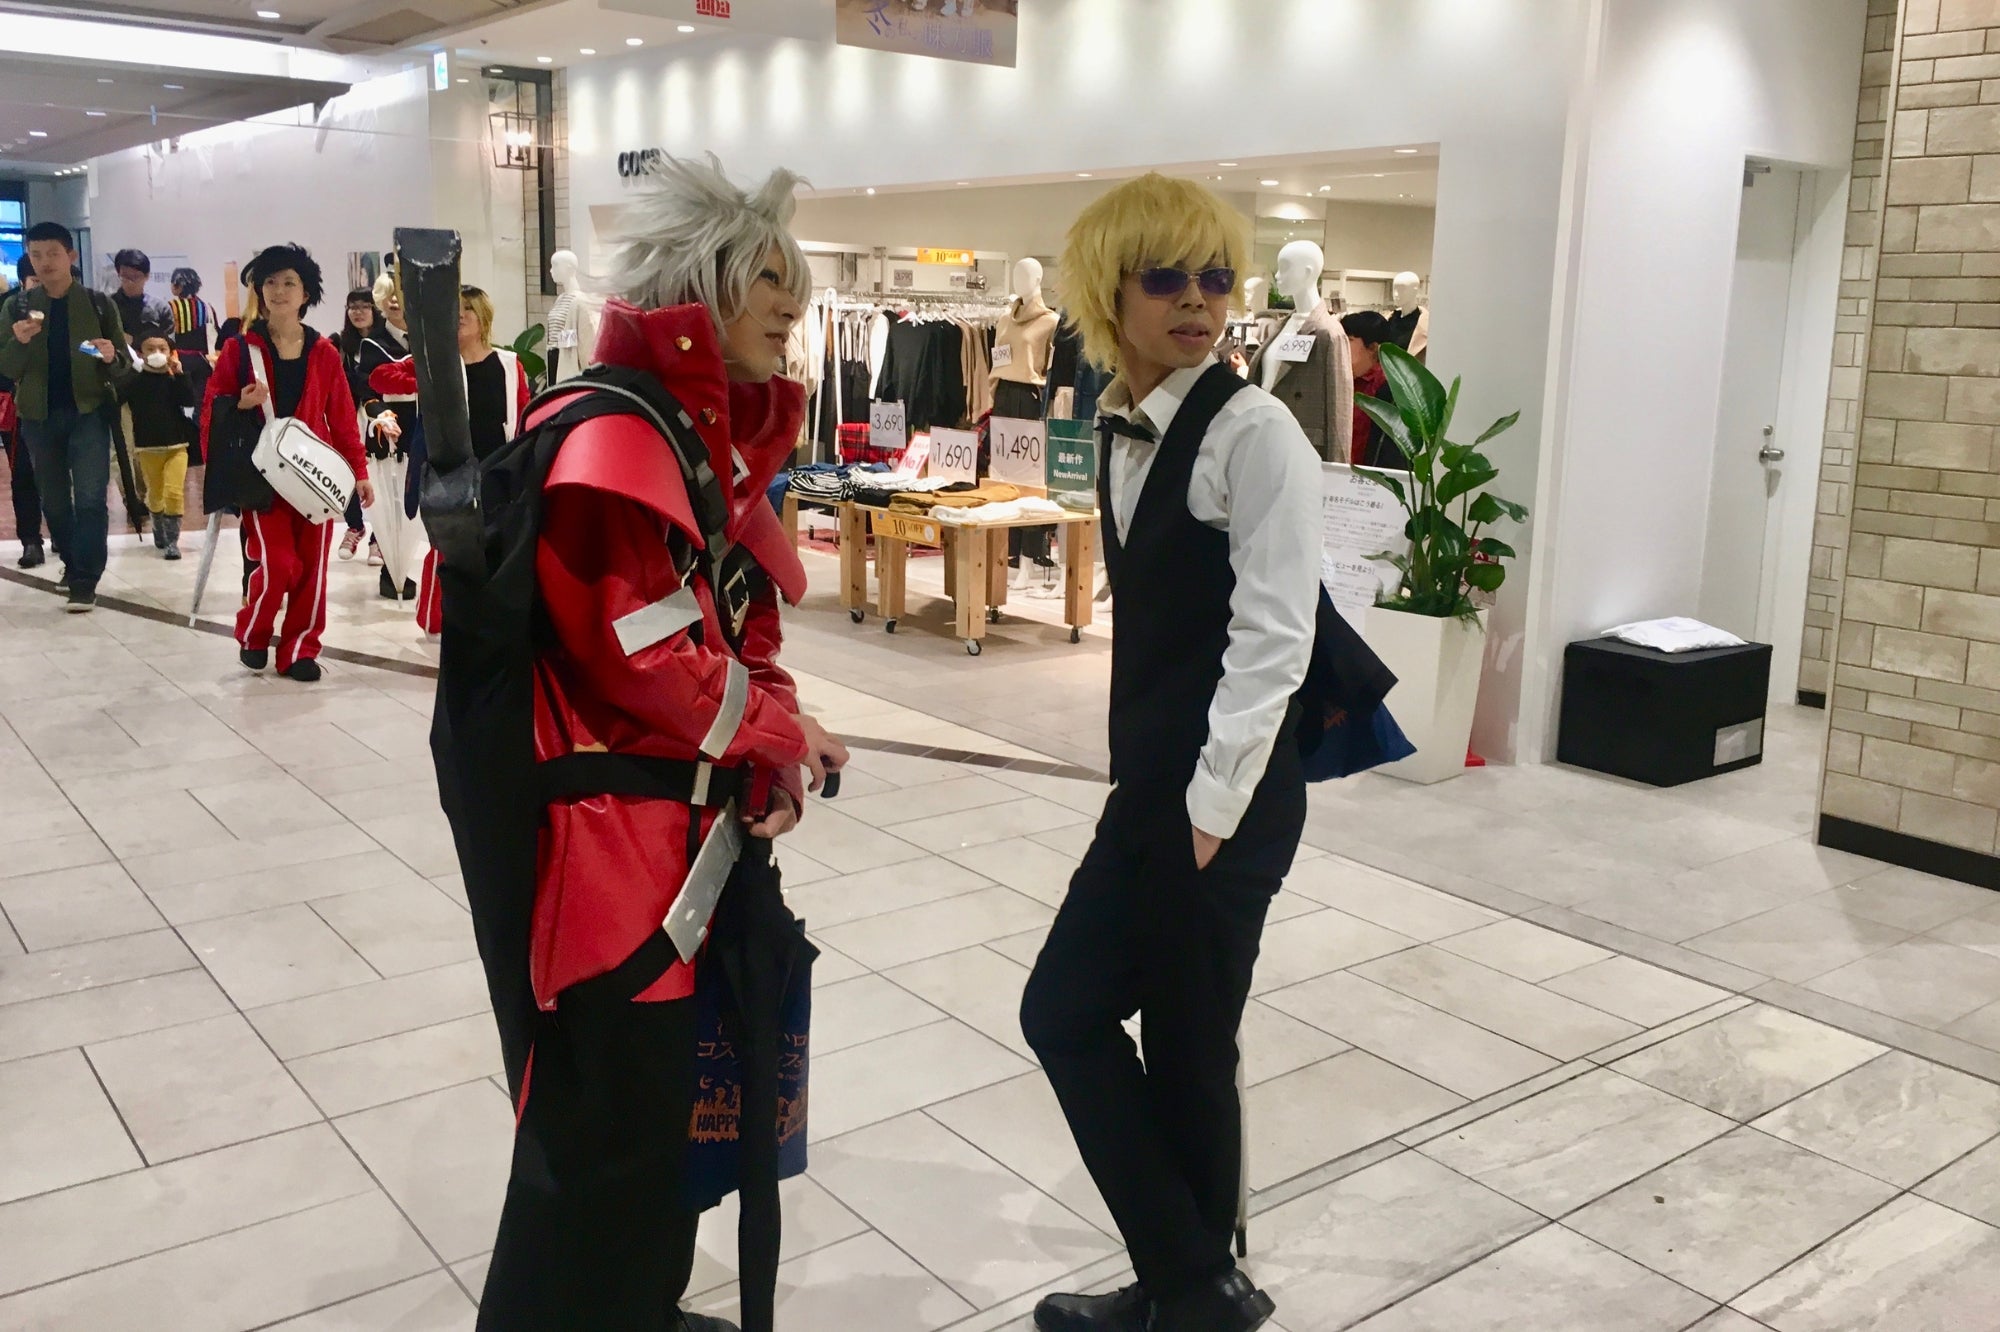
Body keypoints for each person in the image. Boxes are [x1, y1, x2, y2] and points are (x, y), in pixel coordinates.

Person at [462, 152, 847, 1332]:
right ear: (698, 285)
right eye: (765, 279)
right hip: (613, 862)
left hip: (680, 843)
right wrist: (775, 732)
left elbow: (745, 619)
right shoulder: (610, 439)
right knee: (595, 1141)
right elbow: (645, 656)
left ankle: (638, 1306)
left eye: (793, 280)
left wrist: (768, 744)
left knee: (663, 1122)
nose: (792, 303)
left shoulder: (695, 443)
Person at [1019, 173, 1321, 1332]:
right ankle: (1194, 1283)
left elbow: (1272, 639)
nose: (1198, 301)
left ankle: (1191, 1286)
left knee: (1174, 1038)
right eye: (1167, 277)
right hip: (1153, 787)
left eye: (1213, 277)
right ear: (1109, 291)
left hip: (1222, 798)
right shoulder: (1114, 422)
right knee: (1079, 1015)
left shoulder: (1255, 433)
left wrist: (1208, 810)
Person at [201, 243, 372, 680]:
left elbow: (343, 419)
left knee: (312, 571)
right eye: (270, 282)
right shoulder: (242, 349)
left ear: (305, 293)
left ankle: (299, 650)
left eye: (289, 283)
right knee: (280, 564)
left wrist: (359, 473)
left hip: (312, 477)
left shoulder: (324, 353)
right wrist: (238, 403)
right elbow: (211, 407)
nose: (279, 291)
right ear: (260, 290)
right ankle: (254, 632)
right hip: (261, 478)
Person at [0, 222, 135, 611]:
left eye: (53, 254)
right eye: (36, 255)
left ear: (71, 257)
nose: (45, 263)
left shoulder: (96, 303)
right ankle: (74, 565)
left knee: (92, 499)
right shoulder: (16, 306)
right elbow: (6, 366)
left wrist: (112, 356)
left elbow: (124, 364)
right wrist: (19, 341)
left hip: (88, 412)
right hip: (38, 417)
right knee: (54, 501)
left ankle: (84, 579)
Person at [409, 283, 528, 633]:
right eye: (455, 309)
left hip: (498, 464)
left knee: (494, 543)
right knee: (447, 543)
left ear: (483, 317)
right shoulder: (438, 364)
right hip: (451, 466)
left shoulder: (508, 365)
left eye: (468, 309)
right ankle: (437, 615)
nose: (460, 315)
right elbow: (383, 376)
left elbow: (521, 413)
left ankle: (483, 610)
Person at [356, 269, 415, 587]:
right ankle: (392, 573)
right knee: (390, 501)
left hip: (422, 432)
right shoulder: (372, 346)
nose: (394, 300)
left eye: (401, 293)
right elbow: (368, 393)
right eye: (389, 294)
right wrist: (382, 416)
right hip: (387, 434)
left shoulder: (428, 341)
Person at [122, 328, 197, 559]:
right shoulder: (134, 380)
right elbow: (118, 398)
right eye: (151, 349)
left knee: (174, 492)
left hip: (177, 445)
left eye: (162, 349)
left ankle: (173, 541)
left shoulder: (174, 379)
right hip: (147, 447)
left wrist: (181, 374)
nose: (157, 352)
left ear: (171, 352)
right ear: (140, 353)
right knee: (154, 493)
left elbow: (188, 400)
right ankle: (158, 526)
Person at [1, 255, 48, 567]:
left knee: (63, 473)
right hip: (18, 405)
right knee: (23, 474)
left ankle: (63, 534)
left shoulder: (74, 304)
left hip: (62, 402)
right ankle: (30, 540)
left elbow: (86, 347)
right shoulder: (9, 307)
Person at [335, 286, 382, 561]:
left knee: (380, 477)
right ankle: (355, 527)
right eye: (353, 307)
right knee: (348, 474)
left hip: (380, 417)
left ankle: (380, 538)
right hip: (350, 418)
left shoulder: (387, 343)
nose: (359, 312)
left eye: (365, 306)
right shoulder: (340, 344)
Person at [1342, 310, 1399, 468]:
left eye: (1350, 340)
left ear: (1373, 347)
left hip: (1367, 482)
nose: (1341, 346)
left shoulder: (1388, 389)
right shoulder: (1341, 380)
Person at [168, 267, 219, 413]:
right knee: (201, 405)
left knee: (176, 402)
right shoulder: (207, 307)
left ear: (177, 285)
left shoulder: (171, 307)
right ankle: (199, 433)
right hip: (203, 361)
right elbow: (216, 332)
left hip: (178, 359)